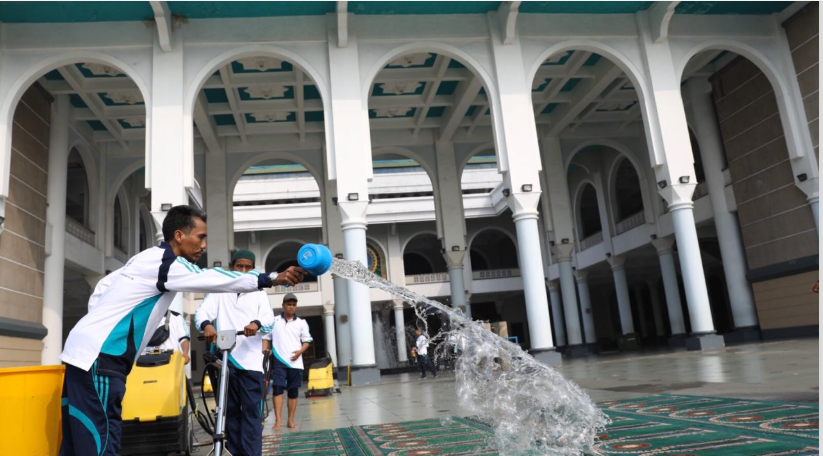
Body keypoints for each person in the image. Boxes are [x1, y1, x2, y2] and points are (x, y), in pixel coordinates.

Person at [59, 205, 306, 456]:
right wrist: (272, 278)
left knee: (76, 442)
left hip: (82, 353)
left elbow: (102, 288)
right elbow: (214, 278)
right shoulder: (170, 263)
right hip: (101, 358)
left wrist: (97, 325)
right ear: (179, 236)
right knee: (101, 442)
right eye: (200, 237)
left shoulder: (145, 258)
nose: (203, 245)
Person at [194, 249, 275, 456]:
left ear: (253, 269)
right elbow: (201, 313)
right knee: (228, 413)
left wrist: (256, 324)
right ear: (233, 267)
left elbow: (268, 320)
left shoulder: (259, 292)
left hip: (251, 364)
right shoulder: (221, 290)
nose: (244, 270)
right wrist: (206, 325)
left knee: (251, 414)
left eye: (248, 267)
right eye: (240, 266)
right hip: (226, 362)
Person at [263, 293, 312, 430]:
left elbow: (307, 341)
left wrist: (300, 352)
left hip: (295, 363)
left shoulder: (301, 323)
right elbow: (266, 337)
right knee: (277, 389)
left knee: (293, 391)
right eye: (289, 304)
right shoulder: (274, 321)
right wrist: (265, 351)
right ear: (283, 305)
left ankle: (290, 420)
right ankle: (278, 420)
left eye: (293, 304)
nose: (291, 307)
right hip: (278, 361)